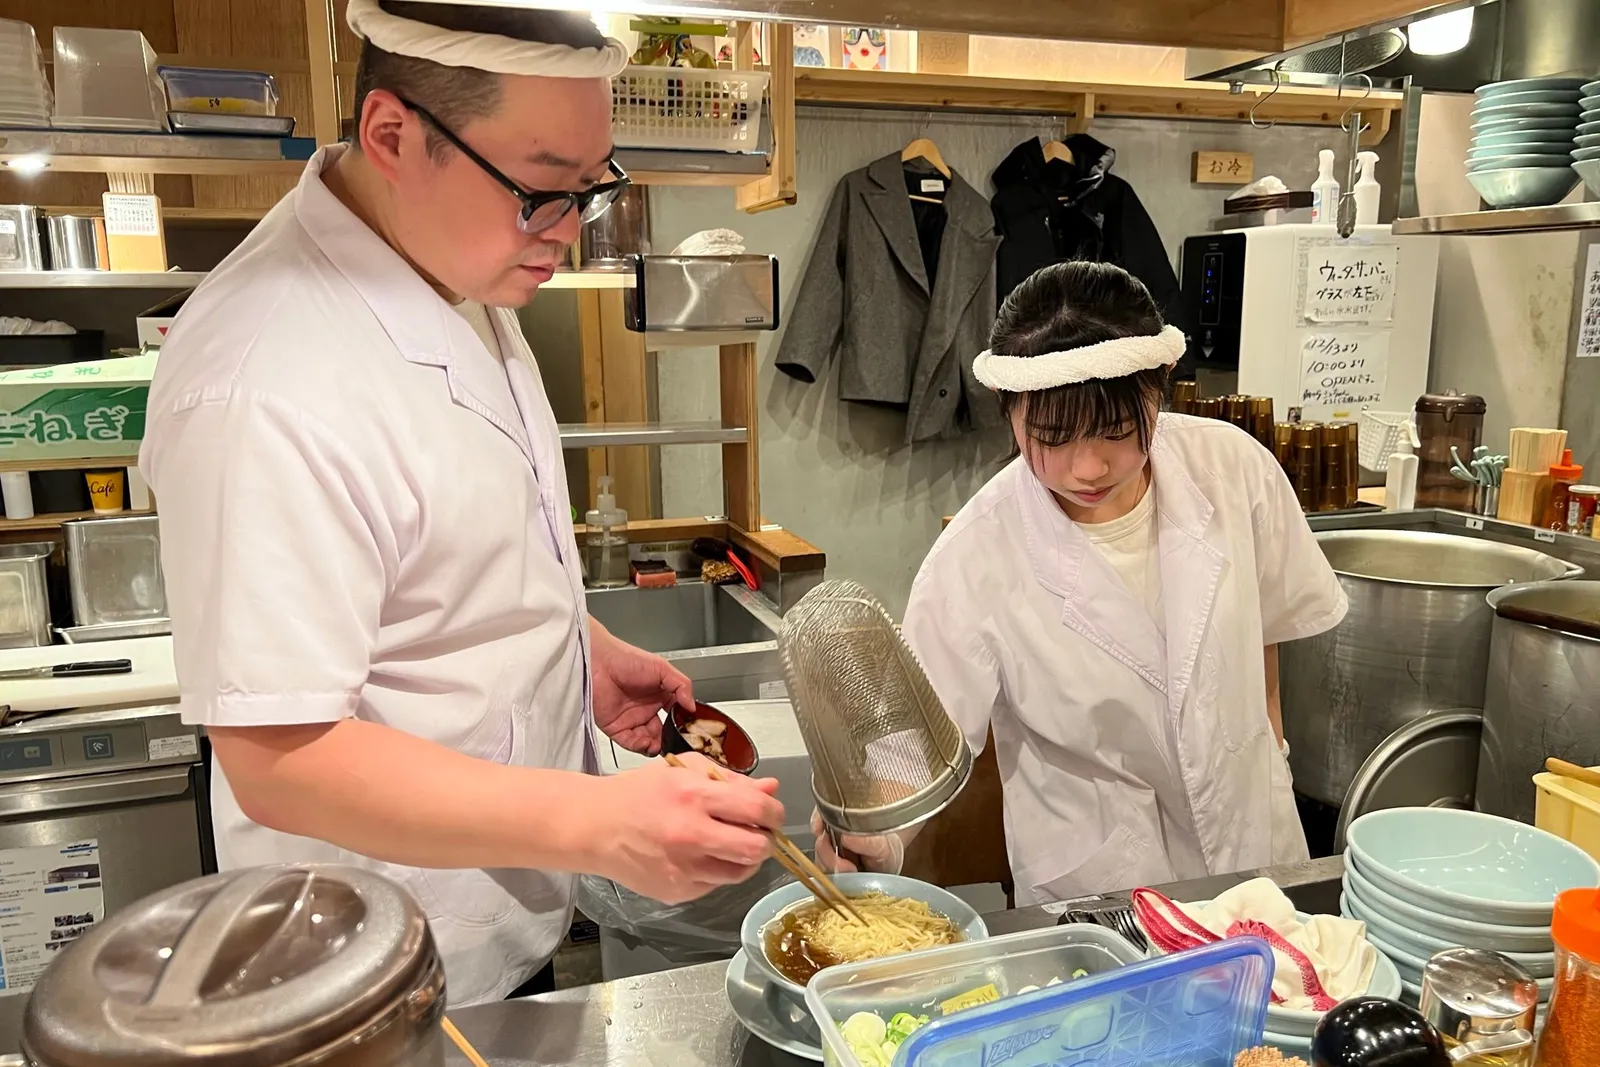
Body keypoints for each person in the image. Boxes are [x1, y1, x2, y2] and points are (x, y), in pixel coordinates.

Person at [140, 0, 783, 1005]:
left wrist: (573, 644)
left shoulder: (450, 260)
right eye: (542, 191)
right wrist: (599, 823)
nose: (568, 232)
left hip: (490, 932)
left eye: (590, 189)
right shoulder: (265, 377)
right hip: (363, 971)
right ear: (394, 135)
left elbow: (445, 543)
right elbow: (279, 756)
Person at [819, 261, 1346, 904]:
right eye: (1051, 437)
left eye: (1119, 432)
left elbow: (1271, 627)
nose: (1088, 467)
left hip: (1255, 848)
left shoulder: (1234, 469)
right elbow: (920, 745)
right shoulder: (977, 555)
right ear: (1011, 415)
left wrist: (1272, 746)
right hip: (1105, 887)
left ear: (1158, 393)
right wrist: (878, 834)